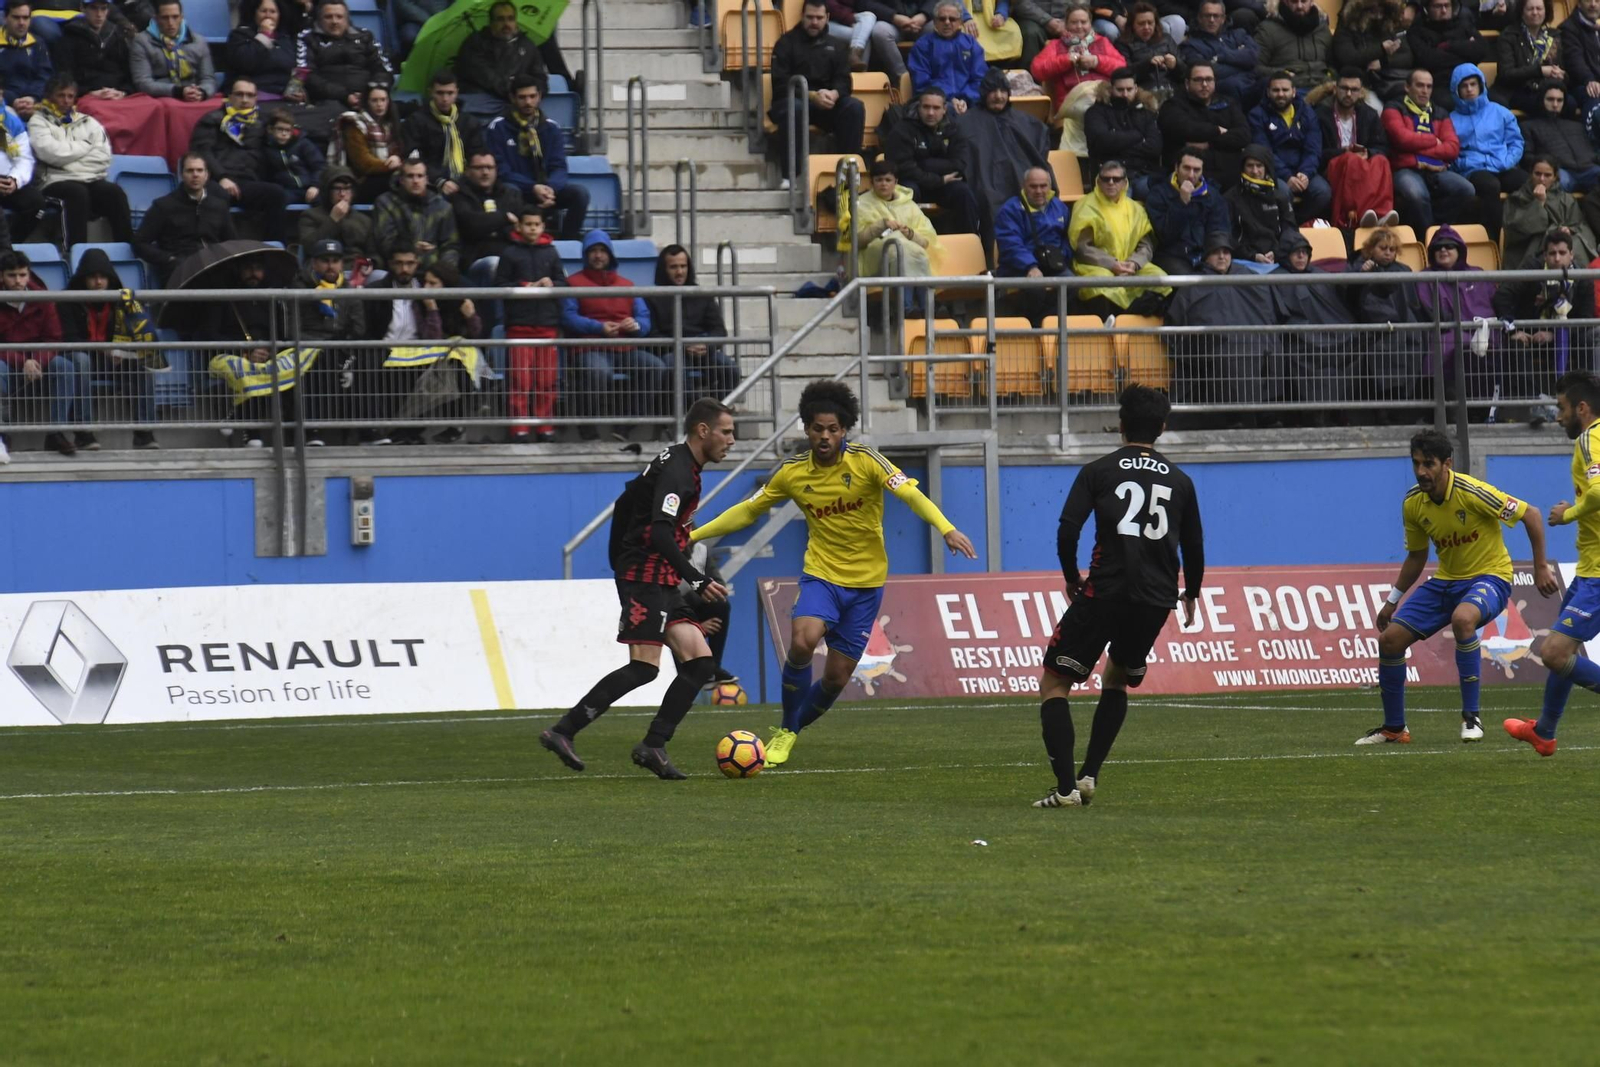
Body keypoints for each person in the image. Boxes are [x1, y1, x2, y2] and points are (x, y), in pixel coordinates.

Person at [689, 381, 978, 767]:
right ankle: (786, 730)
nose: (825, 436)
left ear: (844, 430)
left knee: (837, 678)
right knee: (803, 641)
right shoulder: (792, 472)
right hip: (821, 576)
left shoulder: (867, 461)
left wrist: (946, 528)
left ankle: (791, 729)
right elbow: (747, 511)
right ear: (806, 429)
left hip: (865, 587)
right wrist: (692, 534)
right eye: (817, 428)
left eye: (833, 429)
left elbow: (910, 494)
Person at [537, 398, 738, 780]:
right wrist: (694, 579)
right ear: (703, 430)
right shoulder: (679, 470)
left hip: (656, 576)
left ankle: (654, 745)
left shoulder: (678, 462)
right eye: (726, 432)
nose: (732, 440)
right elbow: (661, 530)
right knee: (644, 668)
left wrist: (622, 556)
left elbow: (628, 498)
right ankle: (563, 731)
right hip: (646, 577)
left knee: (699, 662)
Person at [1031, 384, 1203, 808]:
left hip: (1105, 590)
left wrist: (1071, 576)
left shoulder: (1098, 470)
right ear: (1162, 427)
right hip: (1155, 599)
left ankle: (1067, 789)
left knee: (1055, 683)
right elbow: (1194, 546)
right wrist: (1192, 593)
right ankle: (1089, 775)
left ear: (1121, 425)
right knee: (1117, 677)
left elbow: (1068, 529)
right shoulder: (1181, 482)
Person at [1363, 431, 1557, 746]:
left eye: (1429, 463)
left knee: (1463, 619)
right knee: (1390, 641)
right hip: (1446, 581)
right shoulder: (1413, 503)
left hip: (1491, 576)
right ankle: (1395, 729)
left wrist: (1539, 567)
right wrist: (1392, 601)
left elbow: (1531, 515)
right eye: (1416, 463)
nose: (1422, 471)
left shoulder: (1473, 492)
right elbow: (1416, 555)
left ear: (1447, 464)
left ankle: (1472, 718)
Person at [1511, 369, 1600, 756]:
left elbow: (1598, 491)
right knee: (1566, 650)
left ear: (1582, 407)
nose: (1558, 416)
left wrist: (1568, 513)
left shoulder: (1589, 439)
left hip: (1599, 573)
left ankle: (1545, 730)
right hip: (1588, 570)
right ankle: (1544, 732)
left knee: (1554, 653)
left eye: (1562, 408)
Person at [562, 228, 664, 439]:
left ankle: (626, 426)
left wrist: (635, 325)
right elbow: (568, 317)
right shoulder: (572, 283)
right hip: (589, 347)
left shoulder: (627, 285)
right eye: (593, 250)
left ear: (610, 254)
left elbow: (644, 318)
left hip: (624, 347)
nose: (598, 255)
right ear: (585, 254)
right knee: (599, 372)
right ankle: (587, 427)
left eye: (602, 250)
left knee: (655, 367)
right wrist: (598, 328)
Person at [1164, 231, 1275, 421]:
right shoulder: (1193, 284)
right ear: (1207, 257)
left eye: (1226, 252)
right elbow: (1175, 325)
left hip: (1251, 343)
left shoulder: (1246, 275)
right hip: (1212, 350)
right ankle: (1235, 419)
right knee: (1231, 357)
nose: (1222, 257)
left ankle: (1267, 417)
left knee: (1273, 349)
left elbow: (1266, 312)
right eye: (1216, 252)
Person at [59, 246, 159, 450]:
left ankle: (144, 433)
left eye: (103, 277)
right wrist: (103, 349)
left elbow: (139, 334)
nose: (98, 282)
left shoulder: (123, 301)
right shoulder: (66, 301)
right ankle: (83, 433)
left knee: (144, 363)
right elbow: (69, 339)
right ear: (82, 279)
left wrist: (122, 349)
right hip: (81, 359)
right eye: (93, 277)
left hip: (113, 360)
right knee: (81, 360)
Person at [1492, 226, 1594, 421]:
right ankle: (1535, 404)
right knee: (1515, 345)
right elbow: (1503, 296)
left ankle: (1584, 403)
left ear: (1571, 255)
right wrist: (1514, 330)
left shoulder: (1583, 277)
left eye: (1562, 253)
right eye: (1552, 253)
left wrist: (1555, 334)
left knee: (1588, 339)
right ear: (1544, 256)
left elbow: (1586, 318)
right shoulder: (1531, 268)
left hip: (1566, 339)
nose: (1557, 258)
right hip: (1530, 336)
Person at [884, 87, 993, 264]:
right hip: (917, 183)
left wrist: (925, 164)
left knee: (964, 192)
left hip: (943, 184)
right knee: (906, 191)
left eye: (936, 108)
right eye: (926, 107)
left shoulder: (954, 129)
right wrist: (938, 178)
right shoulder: (902, 129)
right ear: (918, 108)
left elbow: (959, 163)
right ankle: (906, 251)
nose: (930, 112)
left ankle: (970, 247)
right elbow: (903, 168)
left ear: (944, 109)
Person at [27, 74, 134, 247]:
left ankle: (128, 248)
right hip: (53, 181)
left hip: (88, 179)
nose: (66, 100)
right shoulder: (38, 122)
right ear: (50, 96)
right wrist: (85, 147)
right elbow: (50, 153)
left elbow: (104, 157)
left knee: (114, 192)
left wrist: (68, 162)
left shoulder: (89, 122)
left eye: (70, 96)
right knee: (76, 192)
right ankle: (76, 250)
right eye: (61, 95)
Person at [0, 247, 84, 455]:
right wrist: (23, 362)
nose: (18, 281)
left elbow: (53, 338)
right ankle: (3, 433)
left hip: (39, 362)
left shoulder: (43, 299)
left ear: (29, 274)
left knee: (64, 367)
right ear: (1, 276)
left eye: (23, 275)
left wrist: (36, 360)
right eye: (12, 276)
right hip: (8, 363)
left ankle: (56, 433)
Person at [485, 75, 589, 240]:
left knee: (579, 194)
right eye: (522, 97)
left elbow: (559, 166)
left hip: (546, 191)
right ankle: (516, 238)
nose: (528, 102)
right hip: (519, 190)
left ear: (539, 96)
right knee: (511, 190)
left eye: (532, 96)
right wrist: (533, 187)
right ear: (512, 98)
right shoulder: (498, 127)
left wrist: (550, 189)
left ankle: (568, 241)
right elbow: (500, 170)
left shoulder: (551, 127)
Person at [1270, 229, 1359, 421]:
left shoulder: (1318, 273)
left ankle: (1339, 411)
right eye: (1296, 252)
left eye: (1305, 251)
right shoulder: (1276, 278)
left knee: (1351, 344)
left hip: (1329, 334)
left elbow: (1336, 307)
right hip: (1301, 339)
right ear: (1286, 255)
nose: (1302, 256)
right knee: (1306, 357)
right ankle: (1315, 414)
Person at [189, 78, 290, 243]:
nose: (245, 100)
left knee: (277, 194)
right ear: (229, 96)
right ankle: (221, 251)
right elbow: (201, 153)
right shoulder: (212, 120)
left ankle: (274, 249)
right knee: (214, 197)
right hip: (216, 181)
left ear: (256, 98)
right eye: (240, 94)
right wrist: (222, 177)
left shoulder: (262, 123)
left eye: (250, 95)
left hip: (246, 183)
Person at [771, 0, 866, 177]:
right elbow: (780, 83)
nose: (814, 22)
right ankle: (792, 176)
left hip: (827, 102)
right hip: (793, 100)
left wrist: (834, 94)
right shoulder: (785, 43)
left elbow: (844, 80)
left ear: (827, 18)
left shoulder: (837, 45)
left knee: (854, 107)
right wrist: (812, 96)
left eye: (819, 17)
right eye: (810, 17)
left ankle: (848, 176)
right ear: (802, 17)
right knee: (795, 109)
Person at [496, 207, 565, 442]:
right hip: (519, 326)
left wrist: (551, 283)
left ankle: (545, 427)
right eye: (528, 224)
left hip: (546, 326)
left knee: (546, 381)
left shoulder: (552, 253)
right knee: (520, 381)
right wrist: (522, 286)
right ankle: (520, 428)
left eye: (537, 224)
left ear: (543, 227)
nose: (533, 228)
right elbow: (500, 284)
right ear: (519, 227)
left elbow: (562, 283)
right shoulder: (509, 254)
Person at [1067, 158, 1169, 315]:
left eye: (1116, 179)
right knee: (1103, 283)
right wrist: (1112, 264)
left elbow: (1146, 244)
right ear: (1098, 182)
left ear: (1124, 182)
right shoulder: (1085, 206)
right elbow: (1082, 248)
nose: (1111, 183)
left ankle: (1142, 327)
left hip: (1130, 266)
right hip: (1096, 266)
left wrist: (1134, 263)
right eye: (1106, 179)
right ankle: (1109, 328)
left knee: (1159, 279)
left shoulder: (1136, 208)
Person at [1415, 224, 1500, 403]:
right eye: (1438, 247)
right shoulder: (1425, 278)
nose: (1443, 249)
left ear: (1459, 249)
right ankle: (1453, 404)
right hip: (1447, 334)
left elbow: (1496, 303)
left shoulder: (1477, 274)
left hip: (1485, 333)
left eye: (1449, 246)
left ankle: (1485, 407)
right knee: (1452, 344)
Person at [648, 243, 741, 402]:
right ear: (664, 269)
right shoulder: (652, 297)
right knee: (674, 367)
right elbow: (652, 335)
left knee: (730, 369)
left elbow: (719, 330)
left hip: (702, 350)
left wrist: (705, 344)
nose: (680, 272)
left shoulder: (702, 295)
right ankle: (693, 414)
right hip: (671, 350)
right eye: (674, 267)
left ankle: (714, 411)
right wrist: (682, 345)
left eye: (683, 266)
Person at [1382, 68, 1472, 230]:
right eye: (1420, 85)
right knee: (1416, 195)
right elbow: (1402, 139)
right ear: (1407, 87)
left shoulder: (1439, 112)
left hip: (1435, 169)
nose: (1425, 91)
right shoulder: (1392, 108)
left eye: (1429, 87)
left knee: (1466, 189)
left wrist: (1415, 148)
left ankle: (1437, 230)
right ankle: (1427, 238)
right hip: (1405, 168)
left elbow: (1452, 148)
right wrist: (1434, 141)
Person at [1349, 226, 1423, 419]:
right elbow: (1355, 301)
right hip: (1374, 329)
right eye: (1383, 248)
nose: (1388, 253)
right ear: (1371, 248)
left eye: (1391, 249)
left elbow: (1412, 304)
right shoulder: (1358, 267)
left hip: (1404, 326)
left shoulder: (1404, 270)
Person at [1448, 63, 1526, 242]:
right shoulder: (1450, 119)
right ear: (1456, 90)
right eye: (1464, 86)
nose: (1469, 89)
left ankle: (1522, 234)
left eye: (1473, 84)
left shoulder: (1501, 112)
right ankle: (1493, 239)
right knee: (1490, 186)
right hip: (1473, 169)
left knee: (1525, 181)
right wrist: (1464, 165)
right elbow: (1450, 152)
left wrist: (1507, 161)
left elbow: (1516, 142)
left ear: (1481, 85)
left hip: (1502, 165)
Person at [836, 156, 939, 291]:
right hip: (873, 260)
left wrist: (909, 233)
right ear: (871, 182)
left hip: (908, 255)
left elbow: (926, 240)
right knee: (898, 251)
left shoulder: (910, 205)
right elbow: (856, 241)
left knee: (916, 254)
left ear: (896, 182)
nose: (883, 184)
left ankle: (922, 307)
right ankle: (906, 308)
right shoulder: (860, 205)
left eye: (888, 180)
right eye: (879, 180)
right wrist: (881, 225)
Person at [133, 152, 237, 283]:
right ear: (182, 175)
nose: (195, 175)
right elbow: (140, 243)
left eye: (199, 170)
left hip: (213, 267)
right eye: (190, 170)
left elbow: (232, 242)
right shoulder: (163, 206)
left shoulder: (219, 206)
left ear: (207, 175)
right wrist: (169, 259)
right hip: (179, 271)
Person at [296, 0, 392, 140]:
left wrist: (369, 93)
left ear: (347, 19)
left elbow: (384, 70)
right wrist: (345, 95)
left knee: (389, 108)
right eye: (328, 17)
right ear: (319, 19)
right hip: (330, 100)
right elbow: (307, 75)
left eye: (339, 17)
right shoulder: (308, 38)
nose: (334, 21)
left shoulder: (365, 36)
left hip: (369, 98)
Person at [963, 68, 1052, 220]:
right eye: (993, 91)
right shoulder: (966, 123)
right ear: (984, 93)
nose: (998, 96)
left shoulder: (1029, 123)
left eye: (1003, 91)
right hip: (984, 186)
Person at [1314, 68, 1397, 227]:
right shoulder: (1320, 115)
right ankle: (1359, 215)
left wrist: (1368, 152)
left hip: (1362, 166)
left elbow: (1383, 147)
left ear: (1361, 92)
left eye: (1354, 90)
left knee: (1380, 160)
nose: (1349, 94)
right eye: (1344, 88)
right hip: (1332, 166)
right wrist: (1343, 152)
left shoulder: (1369, 114)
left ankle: (1382, 214)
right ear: (1335, 89)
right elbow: (1317, 152)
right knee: (1351, 160)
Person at [995, 165, 1073, 320]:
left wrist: (1062, 257)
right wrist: (1031, 266)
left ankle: (1047, 324)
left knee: (1071, 284)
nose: (1039, 191)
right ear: (1024, 186)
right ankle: (1033, 326)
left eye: (1043, 186)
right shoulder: (1010, 209)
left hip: (1051, 264)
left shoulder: (1059, 207)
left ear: (1050, 186)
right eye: (1033, 186)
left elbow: (1067, 238)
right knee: (1036, 289)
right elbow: (1011, 244)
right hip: (1018, 266)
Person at [1249, 69, 1328, 223]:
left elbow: (1313, 148)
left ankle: (1299, 223)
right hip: (1274, 172)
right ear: (1268, 92)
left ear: (1293, 92)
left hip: (1302, 170)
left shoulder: (1307, 112)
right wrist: (1286, 176)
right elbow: (1264, 151)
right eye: (1276, 90)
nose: (1280, 94)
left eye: (1285, 90)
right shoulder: (1257, 115)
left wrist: (1305, 173)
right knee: (1283, 192)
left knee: (1322, 192)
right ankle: (1285, 226)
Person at [1157, 61, 1251, 185]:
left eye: (1209, 79)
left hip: (1230, 176)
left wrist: (1209, 143)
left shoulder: (1228, 103)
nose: (1204, 84)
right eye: (1198, 80)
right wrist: (1217, 130)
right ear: (1187, 83)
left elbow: (1244, 135)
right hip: (1190, 178)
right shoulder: (1173, 106)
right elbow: (1184, 129)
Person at [1030, 2, 1124, 123]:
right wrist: (1066, 60)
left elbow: (1122, 68)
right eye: (1074, 22)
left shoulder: (1102, 42)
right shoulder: (1055, 45)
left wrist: (1097, 61)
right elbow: (1037, 69)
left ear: (1090, 23)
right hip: (1072, 104)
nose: (1079, 26)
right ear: (1066, 24)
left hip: (1103, 99)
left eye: (1083, 22)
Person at [402, 69, 487, 198]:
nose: (445, 99)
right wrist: (439, 181)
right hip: (429, 184)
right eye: (440, 93)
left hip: (465, 184)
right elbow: (414, 158)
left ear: (457, 93)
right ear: (431, 93)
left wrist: (462, 182)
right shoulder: (416, 121)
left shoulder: (469, 122)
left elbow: (476, 157)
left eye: (450, 93)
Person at [1145, 149, 1232, 273]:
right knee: (1190, 282)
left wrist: (1215, 255)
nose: (1191, 175)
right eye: (1186, 168)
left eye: (1196, 170)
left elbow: (1219, 230)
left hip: (1206, 254)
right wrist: (1181, 203)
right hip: (1171, 256)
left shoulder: (1212, 195)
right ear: (1176, 167)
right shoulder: (1159, 193)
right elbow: (1164, 236)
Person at [454, 0, 545, 118]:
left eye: (510, 18)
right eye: (500, 19)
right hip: (484, 106)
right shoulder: (475, 45)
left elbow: (540, 77)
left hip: (521, 101)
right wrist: (515, 92)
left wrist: (531, 95)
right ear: (491, 22)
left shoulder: (527, 45)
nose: (506, 24)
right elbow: (489, 78)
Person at [1504, 156, 1597, 271]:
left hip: (1565, 245)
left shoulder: (1566, 199)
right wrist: (1539, 203)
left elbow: (1582, 226)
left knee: (1574, 243)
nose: (1542, 179)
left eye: (1547, 175)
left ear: (1555, 177)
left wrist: (1570, 230)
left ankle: (1577, 283)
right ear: (1530, 174)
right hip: (1531, 250)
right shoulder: (1517, 198)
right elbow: (1514, 230)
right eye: (1537, 174)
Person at [1085, 69, 1163, 196]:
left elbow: (1155, 147)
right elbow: (1102, 142)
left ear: (1136, 88)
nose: (1125, 94)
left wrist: (1117, 144)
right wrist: (1138, 136)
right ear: (1111, 89)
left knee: (1162, 195)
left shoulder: (1147, 111)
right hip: (1111, 178)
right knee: (1120, 198)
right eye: (1120, 90)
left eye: (1129, 89)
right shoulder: (1096, 112)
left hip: (1143, 175)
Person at [374, 156, 461, 270]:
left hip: (435, 271)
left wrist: (442, 271)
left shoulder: (442, 207)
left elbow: (451, 246)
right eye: (410, 176)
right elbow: (385, 243)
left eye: (420, 176)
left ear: (426, 179)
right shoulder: (386, 203)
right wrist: (412, 249)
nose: (415, 181)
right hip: (398, 269)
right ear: (401, 180)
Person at [1520, 82, 1600, 194]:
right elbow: (1526, 157)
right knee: (1554, 181)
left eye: (1559, 100)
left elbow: (1592, 150)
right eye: (1550, 99)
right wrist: (1549, 165)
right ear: (1541, 100)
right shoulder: (1528, 126)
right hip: (1559, 172)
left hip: (1588, 170)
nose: (1555, 104)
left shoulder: (1577, 125)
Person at [130, 0, 215, 104]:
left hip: (195, 95)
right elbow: (143, 83)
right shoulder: (142, 42)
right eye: (165, 18)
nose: (170, 23)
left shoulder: (198, 42)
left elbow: (208, 79)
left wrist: (202, 92)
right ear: (156, 19)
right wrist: (179, 91)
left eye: (175, 17)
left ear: (182, 17)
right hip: (161, 99)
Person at [1329, 0, 1414, 105]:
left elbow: (1407, 56)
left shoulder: (1391, 21)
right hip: (1360, 84)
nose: (1378, 14)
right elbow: (1347, 57)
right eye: (1373, 9)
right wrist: (1381, 49)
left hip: (1389, 82)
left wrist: (1383, 62)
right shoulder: (1348, 22)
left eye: (1381, 8)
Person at [910, 1, 988, 112]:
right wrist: (949, 99)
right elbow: (921, 82)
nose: (947, 22)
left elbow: (980, 78)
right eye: (942, 19)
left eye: (952, 19)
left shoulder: (971, 44)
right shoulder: (922, 46)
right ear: (935, 22)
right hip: (935, 106)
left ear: (960, 22)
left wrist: (965, 100)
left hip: (970, 103)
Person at [1225, 143, 1293, 270]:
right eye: (1250, 166)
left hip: (1277, 260)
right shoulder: (1230, 198)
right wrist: (1253, 256)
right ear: (1242, 168)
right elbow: (1227, 236)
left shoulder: (1280, 197)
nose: (1255, 171)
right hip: (1243, 262)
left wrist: (1277, 253)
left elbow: (1291, 231)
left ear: (1266, 167)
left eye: (1259, 166)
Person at [334, 83, 405, 204]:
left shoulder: (390, 125)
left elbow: (400, 151)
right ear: (367, 102)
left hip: (387, 174)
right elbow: (363, 163)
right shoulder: (354, 124)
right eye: (374, 100)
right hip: (362, 181)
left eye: (383, 100)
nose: (379, 104)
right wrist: (389, 165)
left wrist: (398, 159)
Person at [1178, 0, 1259, 106]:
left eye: (1216, 16)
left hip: (1252, 84)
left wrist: (1222, 57)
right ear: (1199, 18)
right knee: (1233, 85)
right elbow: (1207, 72)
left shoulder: (1239, 34)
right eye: (1207, 16)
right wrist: (1244, 65)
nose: (1212, 20)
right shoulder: (1191, 45)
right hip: (1224, 91)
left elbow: (1253, 58)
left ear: (1223, 19)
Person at [450, 150, 523, 268]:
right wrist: (504, 217)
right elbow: (471, 224)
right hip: (473, 261)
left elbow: (518, 227)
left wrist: (489, 222)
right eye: (479, 168)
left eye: (489, 167)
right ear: (468, 171)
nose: (485, 172)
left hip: (509, 258)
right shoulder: (459, 195)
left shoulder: (511, 195)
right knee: (494, 264)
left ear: (496, 170)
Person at [1494, 0, 1563, 113]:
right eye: (1530, 9)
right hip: (1518, 90)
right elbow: (1506, 74)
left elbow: (1566, 70)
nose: (1535, 13)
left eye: (1539, 9)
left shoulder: (1555, 35)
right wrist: (1539, 71)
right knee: (1543, 103)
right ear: (1521, 12)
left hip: (1548, 89)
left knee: (1569, 103)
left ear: (1546, 11)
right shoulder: (1509, 35)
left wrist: (1562, 74)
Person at [298, 166, 374, 267]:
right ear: (327, 191)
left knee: (378, 274)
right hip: (323, 271)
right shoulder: (310, 216)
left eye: (347, 189)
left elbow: (374, 253)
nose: (342, 194)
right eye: (337, 189)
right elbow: (310, 247)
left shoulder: (364, 220)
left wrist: (370, 264)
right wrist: (333, 220)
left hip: (357, 271)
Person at [1408, 0, 1491, 90]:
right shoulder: (1417, 31)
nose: (1443, 10)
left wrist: (1448, 46)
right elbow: (1429, 59)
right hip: (1439, 85)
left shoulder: (1464, 25)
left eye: (1447, 6)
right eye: (1438, 6)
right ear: (1427, 9)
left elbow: (1482, 49)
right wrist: (1466, 51)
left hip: (1470, 82)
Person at [61, 0, 135, 99]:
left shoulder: (117, 34)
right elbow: (66, 75)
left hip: (117, 93)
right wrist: (89, 92)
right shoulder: (70, 35)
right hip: (87, 95)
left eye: (103, 8)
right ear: (83, 8)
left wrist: (123, 92)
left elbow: (128, 72)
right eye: (93, 8)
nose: (99, 14)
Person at [224, 0, 299, 97]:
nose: (268, 15)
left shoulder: (285, 39)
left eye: (273, 12)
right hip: (252, 95)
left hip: (283, 95)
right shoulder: (239, 35)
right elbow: (246, 63)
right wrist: (264, 35)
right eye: (263, 11)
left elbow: (292, 68)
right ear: (254, 13)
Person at [1253, 0, 1330, 93]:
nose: (1299, 6)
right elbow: (1255, 67)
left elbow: (1334, 64)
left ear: (1311, 2)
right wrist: (1282, 74)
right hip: (1287, 93)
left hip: (1324, 89)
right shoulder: (1268, 29)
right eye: (1294, 1)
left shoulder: (1322, 28)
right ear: (1285, 2)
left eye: (1304, 1)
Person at [1115, 1, 1182, 101]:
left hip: (1171, 88)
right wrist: (1147, 64)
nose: (1146, 27)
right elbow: (1124, 74)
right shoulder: (1123, 44)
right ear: (1132, 24)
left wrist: (1176, 64)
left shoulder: (1166, 39)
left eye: (1150, 23)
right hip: (1143, 91)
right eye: (1141, 23)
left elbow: (1185, 72)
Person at [826, 0, 907, 79]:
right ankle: (859, 77)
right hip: (827, 22)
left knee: (869, 17)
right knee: (863, 33)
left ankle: (856, 55)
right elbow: (831, 7)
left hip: (850, 18)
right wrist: (850, 19)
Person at [260, 107, 324, 205]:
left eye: (288, 130)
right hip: (286, 191)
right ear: (270, 129)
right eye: (280, 129)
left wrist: (315, 186)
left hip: (309, 187)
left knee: (324, 199)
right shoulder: (265, 149)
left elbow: (320, 166)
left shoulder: (303, 143)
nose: (284, 134)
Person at [0, 97, 44, 240]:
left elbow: (23, 159)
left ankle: (12, 247)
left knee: (35, 203)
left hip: (6, 181)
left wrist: (15, 179)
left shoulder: (9, 122)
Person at [0, 3, 53, 119]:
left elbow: (44, 76)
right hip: (4, 103)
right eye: (16, 17)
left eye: (25, 18)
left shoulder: (38, 43)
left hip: (34, 103)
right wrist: (12, 99)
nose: (21, 23)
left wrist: (32, 98)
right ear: (5, 17)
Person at [1559, 0, 1600, 140]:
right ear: (1579, 4)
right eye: (1588, 0)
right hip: (1579, 84)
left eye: (1597, 1)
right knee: (1593, 93)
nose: (1593, 4)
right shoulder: (1568, 28)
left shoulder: (1597, 28)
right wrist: (1589, 80)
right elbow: (1575, 61)